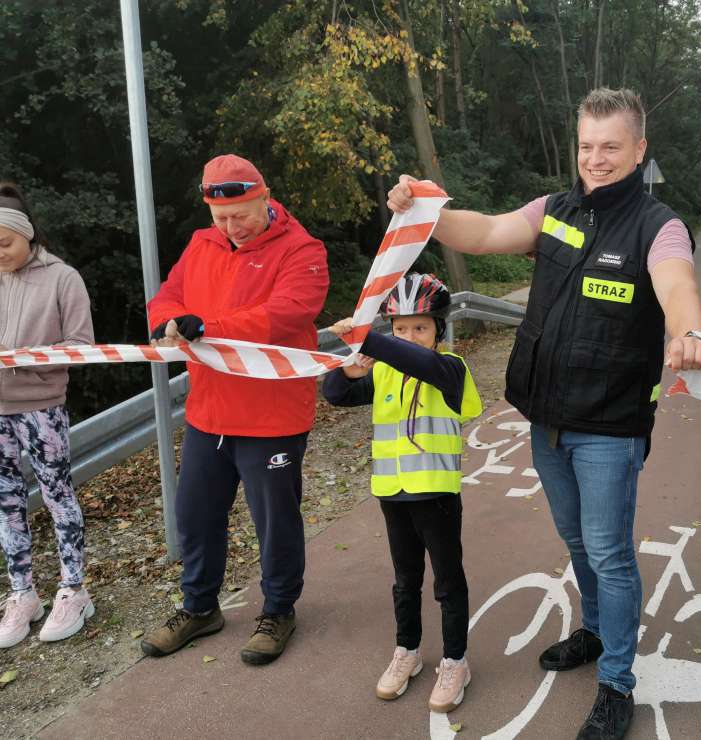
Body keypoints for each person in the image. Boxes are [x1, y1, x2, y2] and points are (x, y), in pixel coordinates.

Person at [387, 88, 701, 740]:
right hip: (547, 420)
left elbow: (677, 285)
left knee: (610, 553)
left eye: (611, 147)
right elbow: (482, 231)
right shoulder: (555, 210)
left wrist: (690, 330)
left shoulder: (659, 225)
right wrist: (427, 208)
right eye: (587, 146)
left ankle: (618, 681)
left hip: (609, 429)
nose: (596, 159)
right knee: (577, 543)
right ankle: (595, 632)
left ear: (639, 150)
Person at [141, 154, 328, 665]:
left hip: (273, 415)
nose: (230, 227)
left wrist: (210, 326)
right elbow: (168, 296)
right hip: (209, 409)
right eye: (220, 217)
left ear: (266, 199)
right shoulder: (203, 243)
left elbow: (287, 315)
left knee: (274, 519)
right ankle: (200, 607)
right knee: (195, 514)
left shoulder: (303, 249)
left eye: (241, 215)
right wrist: (167, 320)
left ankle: (278, 610)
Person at [322, 273, 482, 712]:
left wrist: (369, 339)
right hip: (393, 492)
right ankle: (407, 652)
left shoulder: (451, 369)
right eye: (399, 328)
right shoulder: (385, 372)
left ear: (439, 331)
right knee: (404, 580)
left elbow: (423, 364)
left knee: (448, 582)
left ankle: (455, 661)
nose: (409, 337)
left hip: (436, 494)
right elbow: (334, 394)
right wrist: (348, 367)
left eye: (420, 328)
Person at [0, 182, 95, 648]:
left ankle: (74, 589)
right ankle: (22, 594)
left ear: (28, 235)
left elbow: (82, 347)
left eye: (4, 243)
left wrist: (26, 356)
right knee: (5, 503)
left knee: (58, 495)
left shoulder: (63, 278)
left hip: (42, 408)